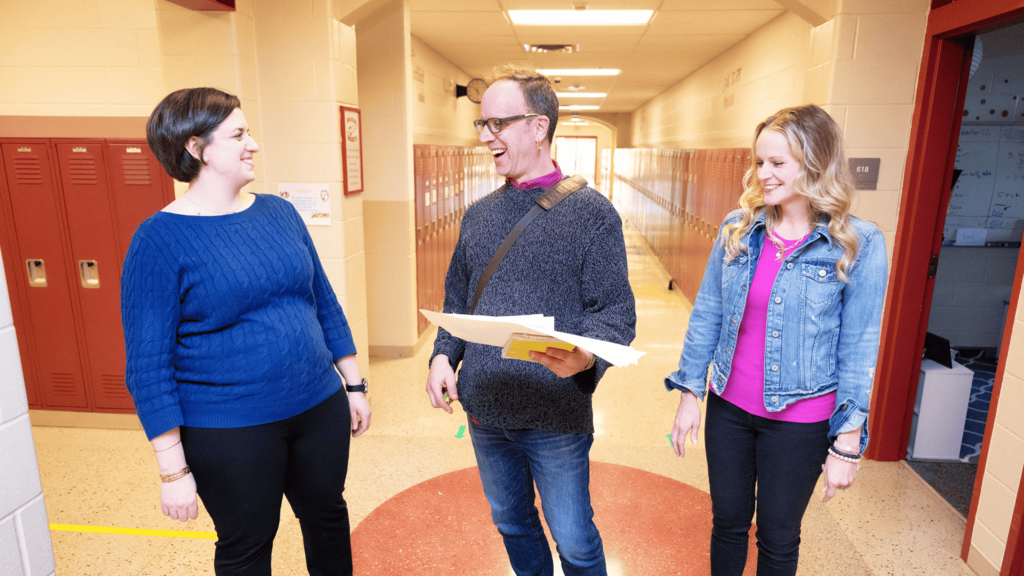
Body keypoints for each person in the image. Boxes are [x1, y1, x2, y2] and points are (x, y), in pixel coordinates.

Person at [121, 87, 371, 576]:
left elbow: (322, 300)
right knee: (247, 546)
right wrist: (172, 469)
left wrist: (354, 383)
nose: (253, 143)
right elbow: (148, 367)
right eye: (238, 134)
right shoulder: (157, 240)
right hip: (229, 428)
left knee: (327, 517)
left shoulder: (277, 212)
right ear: (197, 149)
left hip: (319, 405)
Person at [425, 65, 636, 576]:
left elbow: (615, 314)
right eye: (482, 125)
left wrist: (585, 357)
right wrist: (440, 355)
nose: (486, 137)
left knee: (575, 538)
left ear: (537, 127)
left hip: (554, 413)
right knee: (512, 522)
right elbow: (458, 299)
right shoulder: (477, 215)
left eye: (497, 124)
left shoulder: (593, 214)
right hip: (485, 406)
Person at [666, 104, 888, 575]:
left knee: (778, 535)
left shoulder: (858, 244)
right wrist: (689, 391)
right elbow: (707, 312)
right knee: (727, 522)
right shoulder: (738, 229)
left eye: (777, 163)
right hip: (728, 405)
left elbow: (859, 347)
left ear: (815, 162)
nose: (763, 174)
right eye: (759, 162)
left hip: (801, 417)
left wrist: (847, 441)